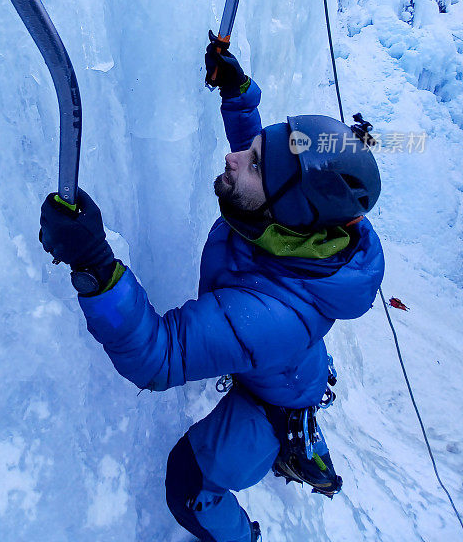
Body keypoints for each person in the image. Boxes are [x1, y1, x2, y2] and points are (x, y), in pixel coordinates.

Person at [39, 38, 384, 542]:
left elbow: (158, 356)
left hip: (270, 397)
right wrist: (237, 94)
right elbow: (273, 169)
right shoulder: (305, 222)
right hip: (285, 365)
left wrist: (94, 265)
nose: (234, 156)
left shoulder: (269, 317)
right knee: (280, 378)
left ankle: (249, 529)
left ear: (284, 214)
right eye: (254, 150)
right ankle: (303, 441)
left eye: (254, 163)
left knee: (188, 486)